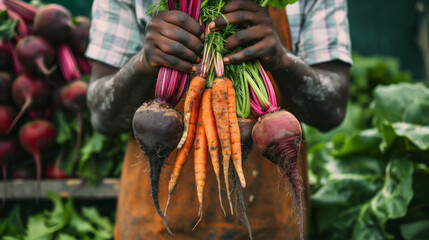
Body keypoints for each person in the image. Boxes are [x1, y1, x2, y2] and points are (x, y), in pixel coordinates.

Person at [86, 0, 352, 239]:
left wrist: (281, 59)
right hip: (155, 230)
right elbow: (102, 116)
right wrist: (143, 63)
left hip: (270, 227)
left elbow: (332, 109)